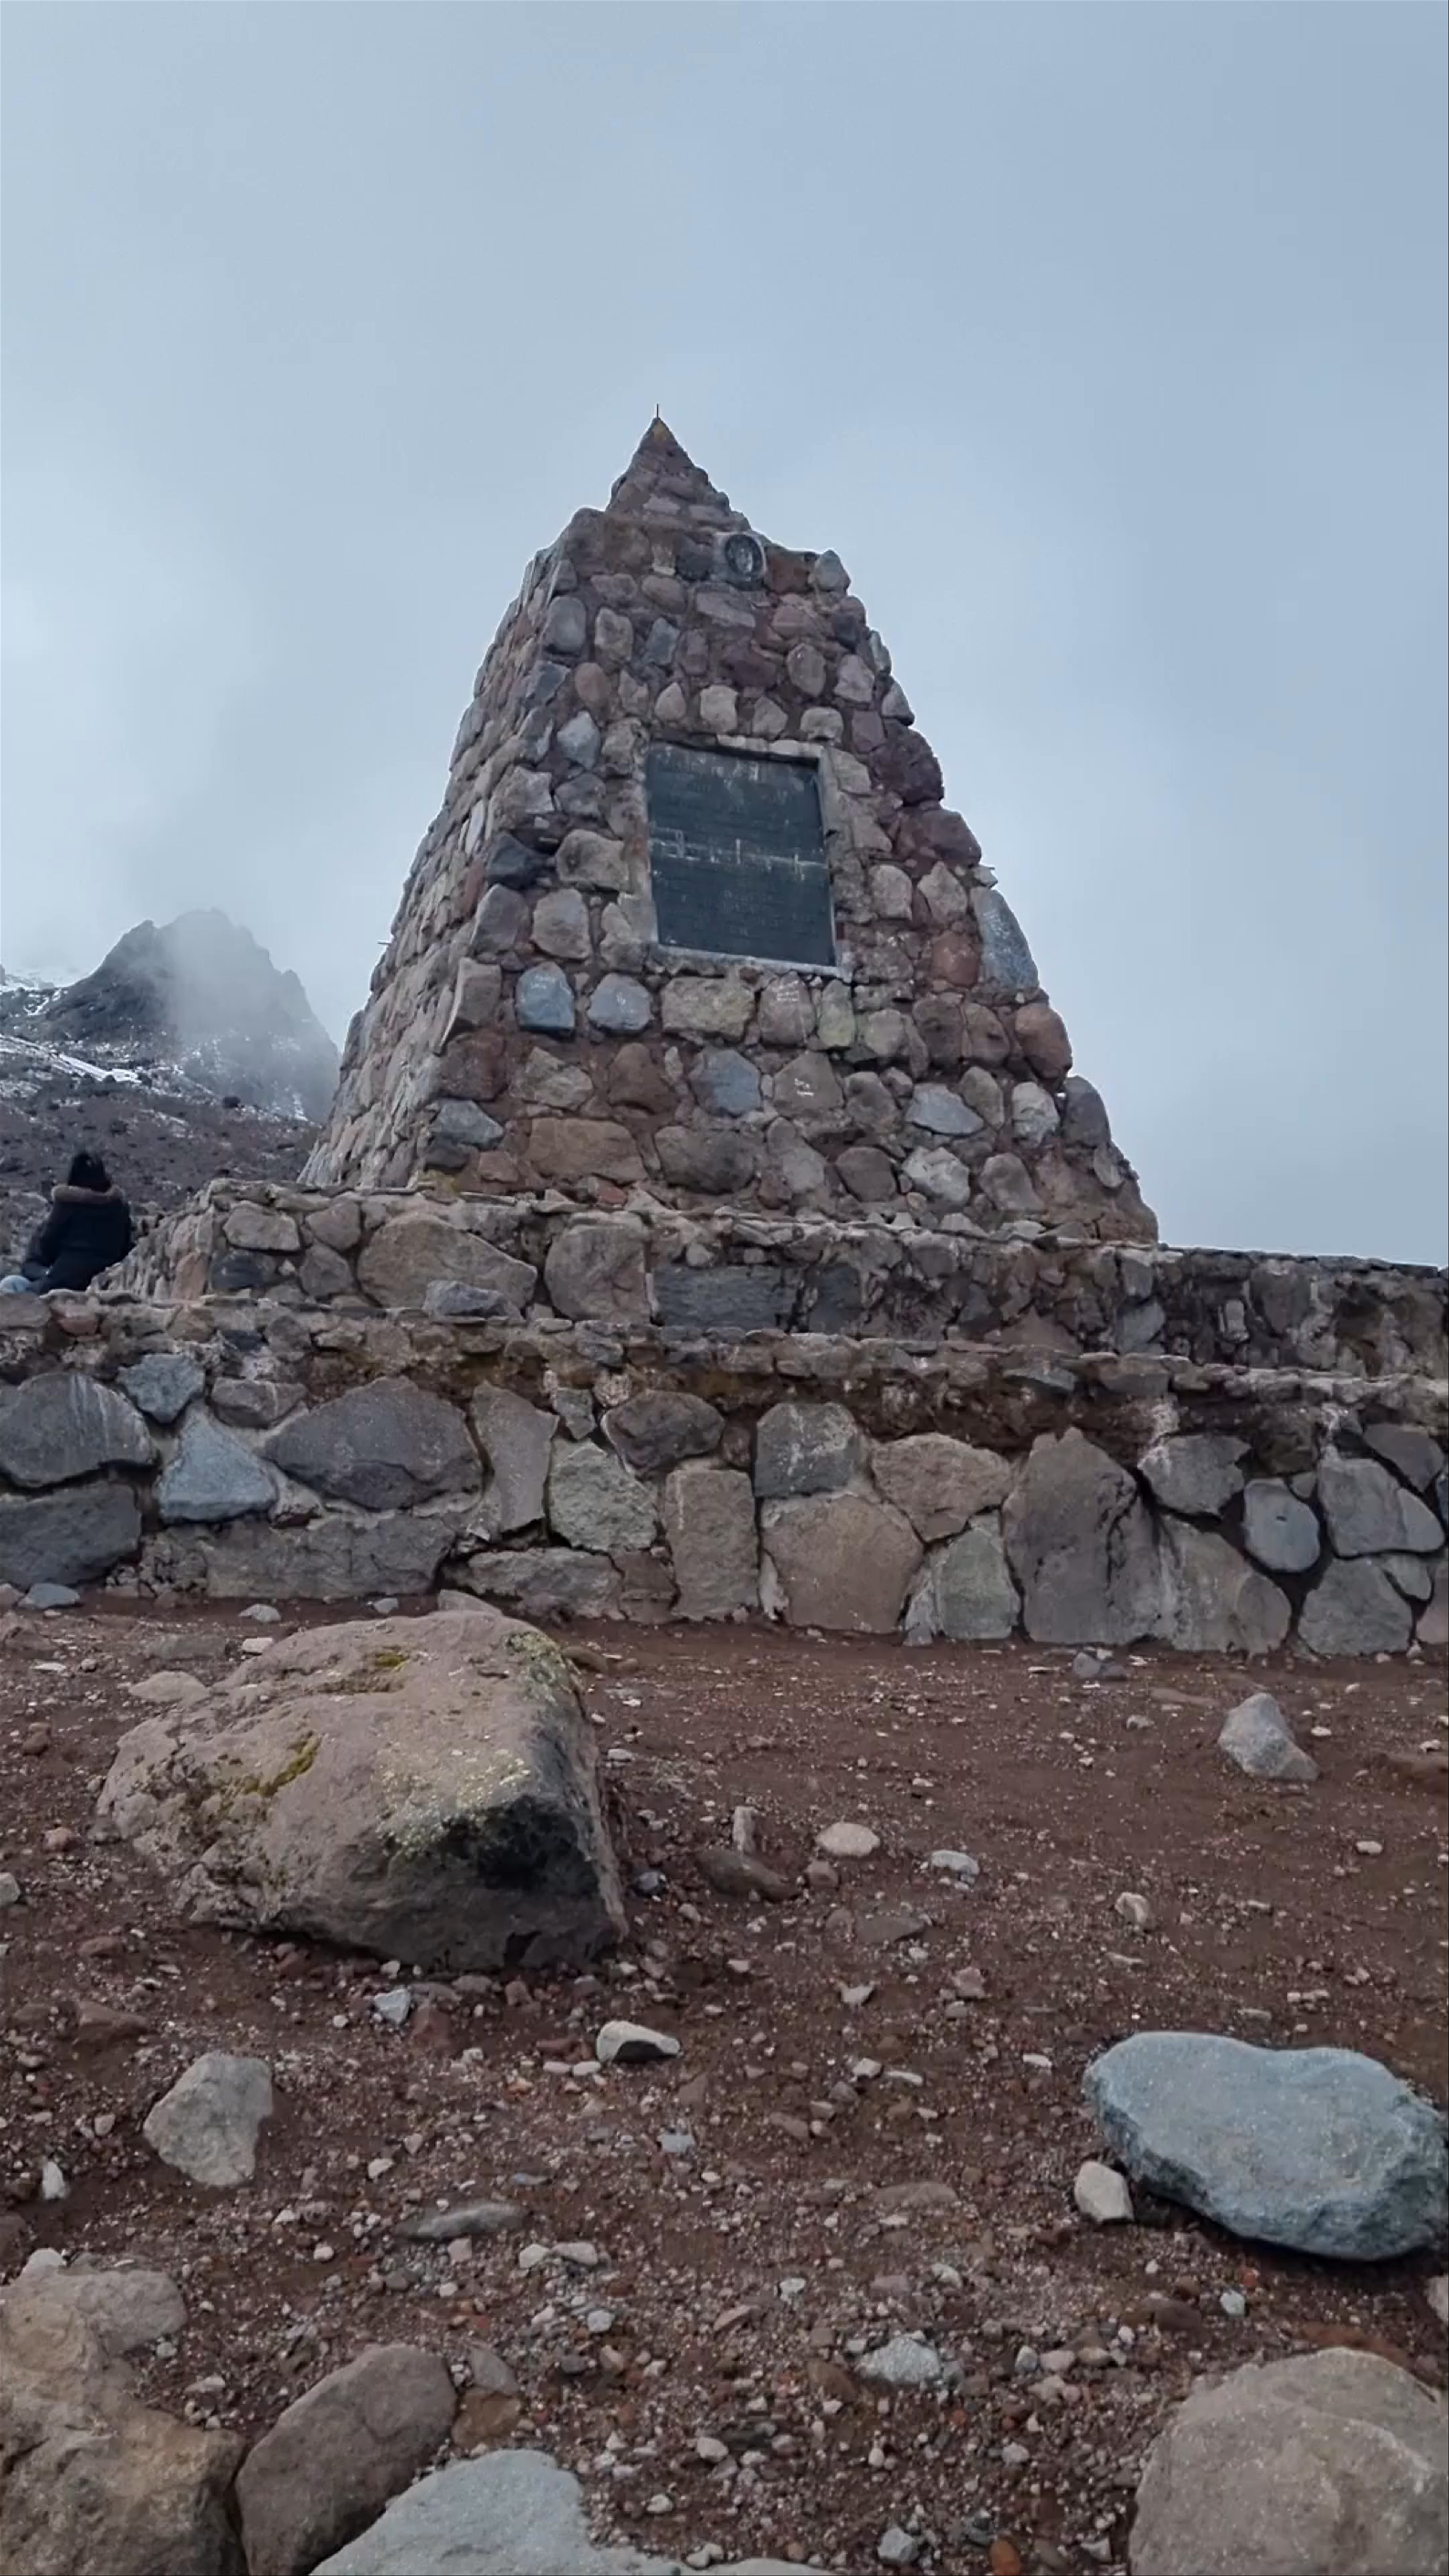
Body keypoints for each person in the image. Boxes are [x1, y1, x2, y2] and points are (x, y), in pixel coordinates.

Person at [0, 1153, 134, 1294]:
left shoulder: (68, 1205)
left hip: (62, 1285)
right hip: (106, 1284)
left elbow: (46, 1247)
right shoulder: (119, 1208)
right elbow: (125, 1249)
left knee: (11, 1285)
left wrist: (45, 1271)